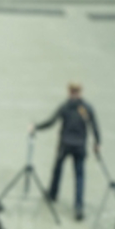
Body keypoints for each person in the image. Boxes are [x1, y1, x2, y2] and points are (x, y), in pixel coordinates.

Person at [32, 83, 102, 221]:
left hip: (65, 146)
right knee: (79, 177)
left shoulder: (65, 107)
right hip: (80, 147)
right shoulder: (87, 108)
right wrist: (97, 143)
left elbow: (51, 122)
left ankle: (52, 195)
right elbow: (94, 126)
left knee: (58, 170)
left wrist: (35, 127)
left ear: (70, 92)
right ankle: (78, 207)